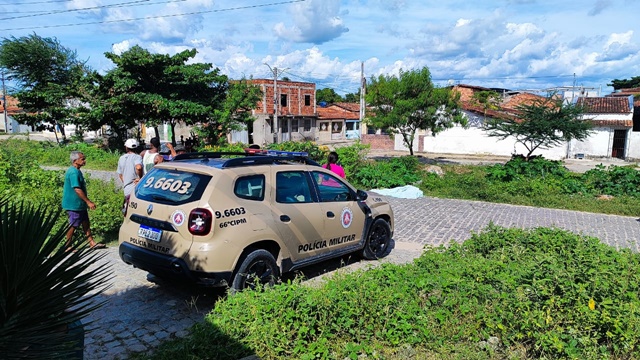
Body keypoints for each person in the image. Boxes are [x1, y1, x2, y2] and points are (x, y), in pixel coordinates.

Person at [62, 151, 105, 251]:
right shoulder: (73, 172)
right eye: (82, 159)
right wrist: (88, 201)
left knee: (86, 222)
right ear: (75, 161)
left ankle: (91, 242)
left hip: (79, 204)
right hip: (74, 204)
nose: (84, 161)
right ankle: (68, 246)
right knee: (73, 224)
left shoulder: (77, 171)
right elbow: (77, 189)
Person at [117, 138, 143, 213]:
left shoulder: (121, 158)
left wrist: (126, 182)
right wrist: (141, 178)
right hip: (135, 188)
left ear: (126, 147)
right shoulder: (137, 157)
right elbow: (139, 167)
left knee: (127, 210)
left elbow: (120, 174)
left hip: (126, 189)